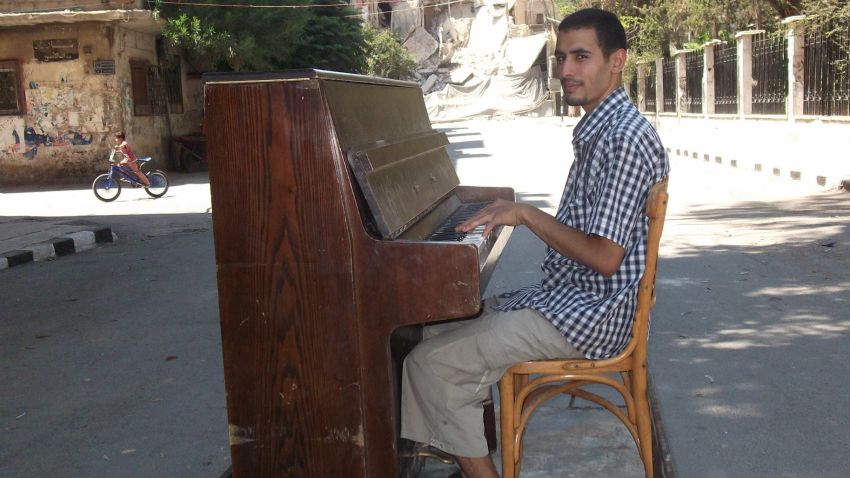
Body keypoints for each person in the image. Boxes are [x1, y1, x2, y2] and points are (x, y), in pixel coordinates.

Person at [400, 8, 670, 478]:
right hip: (573, 301)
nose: (565, 70)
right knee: (430, 332)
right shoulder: (603, 128)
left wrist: (525, 214)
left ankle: (471, 460)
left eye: (581, 57)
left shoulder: (623, 137)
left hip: (592, 316)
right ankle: (464, 441)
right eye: (562, 57)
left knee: (430, 363)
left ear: (617, 60)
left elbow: (605, 257)